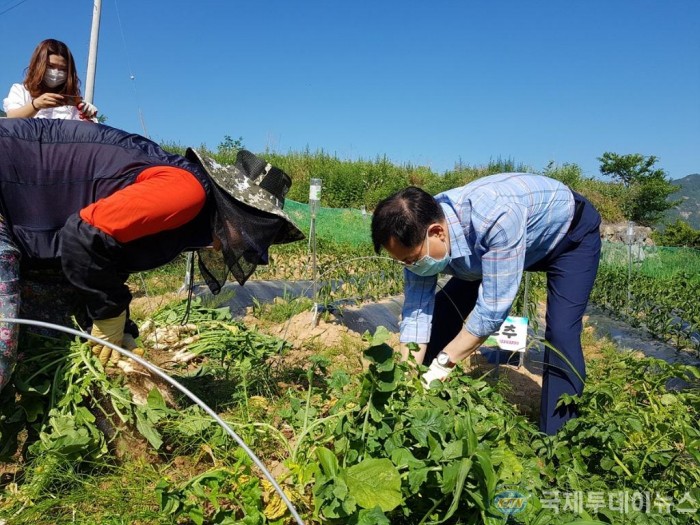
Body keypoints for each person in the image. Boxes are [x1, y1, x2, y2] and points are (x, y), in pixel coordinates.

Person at [0, 118, 304, 391]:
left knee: (47, 341)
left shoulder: (188, 218)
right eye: (250, 232)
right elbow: (84, 237)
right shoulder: (186, 192)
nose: (245, 244)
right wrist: (109, 315)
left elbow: (106, 258)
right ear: (238, 211)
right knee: (3, 345)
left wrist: (123, 325)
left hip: (27, 210)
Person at [371, 174, 601, 434]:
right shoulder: (418, 231)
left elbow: (492, 311)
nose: (410, 267)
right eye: (403, 262)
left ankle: (559, 437)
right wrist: (407, 372)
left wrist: (443, 364)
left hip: (567, 238)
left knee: (561, 332)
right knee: (444, 310)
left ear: (436, 232)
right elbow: (416, 311)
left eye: (412, 260)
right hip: (492, 249)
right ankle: (417, 401)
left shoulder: (494, 217)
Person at [3, 39, 98, 121]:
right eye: (50, 66)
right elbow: (12, 119)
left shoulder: (74, 105)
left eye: (63, 69)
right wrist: (36, 105)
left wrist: (88, 117)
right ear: (38, 65)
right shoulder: (20, 91)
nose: (56, 72)